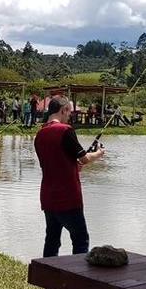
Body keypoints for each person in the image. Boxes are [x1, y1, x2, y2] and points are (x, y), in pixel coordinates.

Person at [34, 95, 105, 257]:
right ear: (63, 109)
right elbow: (84, 158)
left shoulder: (40, 134)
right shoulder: (65, 131)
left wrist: (73, 166)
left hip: (48, 196)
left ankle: (48, 275)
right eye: (69, 113)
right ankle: (77, 278)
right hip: (68, 196)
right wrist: (98, 154)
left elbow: (51, 163)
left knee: (52, 239)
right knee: (80, 239)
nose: (69, 117)